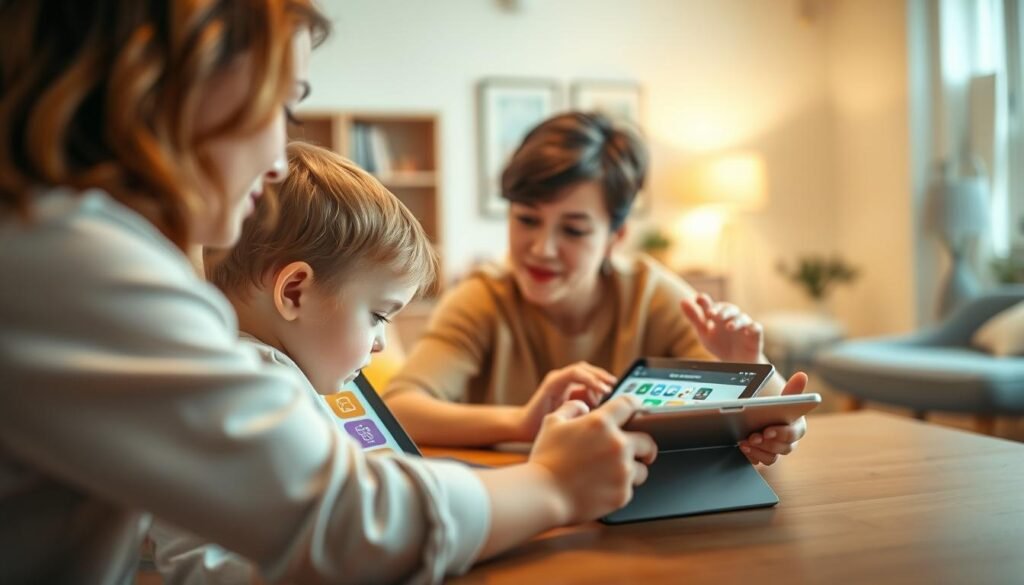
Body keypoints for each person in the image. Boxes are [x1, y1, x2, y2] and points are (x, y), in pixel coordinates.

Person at [0, 5, 657, 584]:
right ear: (183, 84)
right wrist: (552, 484)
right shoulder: (65, 262)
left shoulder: (78, 249)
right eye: (282, 107)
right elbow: (347, 521)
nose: (280, 158)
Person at [384, 112, 808, 465]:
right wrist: (524, 423)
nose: (541, 249)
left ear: (615, 237)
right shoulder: (482, 299)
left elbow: (774, 408)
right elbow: (401, 408)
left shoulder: (651, 293)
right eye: (526, 220)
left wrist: (755, 374)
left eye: (573, 230)